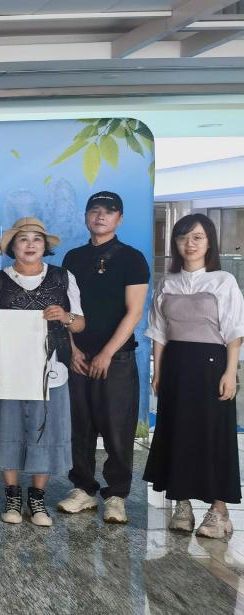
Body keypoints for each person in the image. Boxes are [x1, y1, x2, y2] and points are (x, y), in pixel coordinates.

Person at [0, 216, 85, 527]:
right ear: (13, 247)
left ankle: (38, 498)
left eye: (37, 239)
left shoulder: (63, 278)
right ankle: (12, 495)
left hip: (52, 368)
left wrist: (65, 316)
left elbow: (80, 323)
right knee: (8, 428)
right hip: (9, 368)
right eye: (23, 239)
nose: (31, 245)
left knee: (44, 430)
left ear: (45, 246)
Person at [144, 213, 244, 539]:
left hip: (212, 366)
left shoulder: (222, 281)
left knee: (214, 435)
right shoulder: (167, 283)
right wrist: (158, 372)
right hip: (175, 367)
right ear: (175, 243)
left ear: (209, 242)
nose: (190, 244)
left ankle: (219, 511)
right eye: (183, 237)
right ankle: (182, 505)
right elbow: (159, 331)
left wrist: (230, 372)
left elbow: (235, 331)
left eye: (198, 237)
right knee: (177, 433)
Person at [58, 191, 150, 524]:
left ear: (119, 219)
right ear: (86, 216)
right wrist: (72, 350)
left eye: (109, 212)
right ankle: (83, 489)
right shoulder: (73, 258)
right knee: (79, 426)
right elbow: (65, 309)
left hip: (117, 358)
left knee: (117, 428)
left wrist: (108, 353)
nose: (101, 216)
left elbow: (134, 311)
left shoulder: (132, 258)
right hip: (79, 357)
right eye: (95, 210)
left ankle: (116, 496)